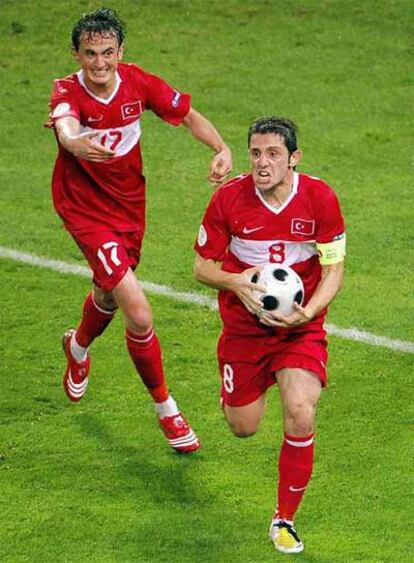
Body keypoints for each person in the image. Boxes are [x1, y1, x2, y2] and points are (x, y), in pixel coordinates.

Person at [47, 8, 232, 454]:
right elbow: (66, 123)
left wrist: (221, 146)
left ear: (120, 52)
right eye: (90, 54)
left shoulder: (137, 82)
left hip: (128, 209)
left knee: (108, 294)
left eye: (107, 53)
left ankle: (78, 345)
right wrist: (72, 141)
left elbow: (187, 114)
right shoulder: (66, 91)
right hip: (84, 211)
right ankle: (166, 409)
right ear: (77, 53)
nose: (99, 63)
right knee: (139, 311)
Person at [193, 116, 345, 553]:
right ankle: (237, 393)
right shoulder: (228, 200)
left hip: (301, 326)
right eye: (256, 153)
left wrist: (309, 312)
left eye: (274, 154)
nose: (263, 163)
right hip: (244, 330)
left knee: (300, 410)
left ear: (294, 159)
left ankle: (284, 518)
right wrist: (237, 282)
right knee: (243, 427)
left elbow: (334, 269)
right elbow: (201, 267)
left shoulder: (320, 198)